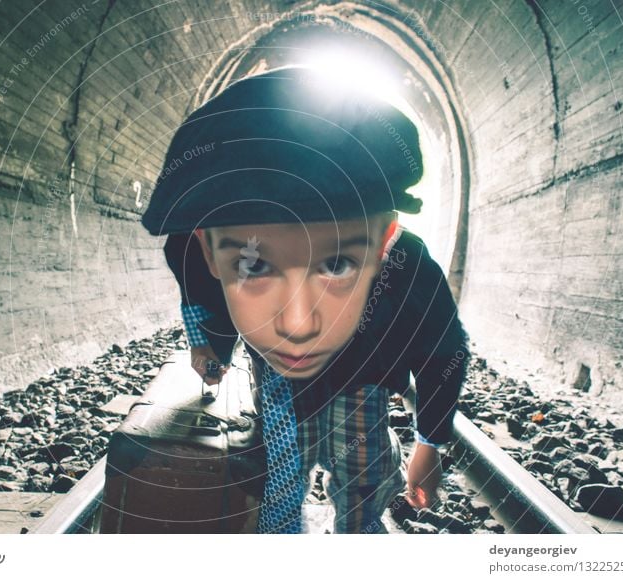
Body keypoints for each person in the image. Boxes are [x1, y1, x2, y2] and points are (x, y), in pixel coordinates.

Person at [141, 65, 470, 533]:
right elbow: (192, 273)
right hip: (281, 382)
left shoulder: (408, 267)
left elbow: (443, 351)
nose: (298, 322)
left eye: (336, 265)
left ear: (384, 243)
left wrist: (430, 443)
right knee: (280, 471)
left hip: (361, 381)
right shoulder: (192, 248)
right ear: (208, 246)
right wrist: (208, 343)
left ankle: (360, 527)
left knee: (364, 472)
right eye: (255, 264)